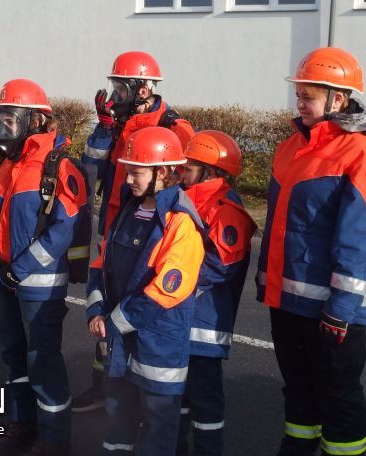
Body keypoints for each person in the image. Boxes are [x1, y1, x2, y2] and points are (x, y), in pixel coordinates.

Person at [255, 47, 366, 456]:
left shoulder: (363, 152)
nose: (299, 103)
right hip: (287, 302)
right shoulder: (290, 147)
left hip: (333, 311)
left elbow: (360, 240)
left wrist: (343, 307)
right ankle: (297, 449)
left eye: (308, 96)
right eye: (298, 95)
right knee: (298, 390)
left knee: (339, 397)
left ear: (338, 99)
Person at [75, 50, 195, 412]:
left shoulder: (175, 129)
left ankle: (151, 400)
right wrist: (103, 128)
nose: (116, 97)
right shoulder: (119, 126)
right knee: (108, 305)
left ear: (143, 89)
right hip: (113, 227)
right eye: (114, 87)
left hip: (153, 234)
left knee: (144, 309)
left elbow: (185, 184)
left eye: (122, 89)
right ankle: (105, 385)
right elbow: (89, 169)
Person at [0, 78, 87, 456]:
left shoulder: (58, 165)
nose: (4, 128)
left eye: (12, 119)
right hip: (4, 278)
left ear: (36, 121)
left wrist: (19, 268)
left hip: (38, 284)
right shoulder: (9, 163)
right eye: (1, 119)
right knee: (13, 354)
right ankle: (22, 421)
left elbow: (64, 228)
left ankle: (55, 439)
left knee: (42, 361)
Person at [85, 126, 205, 456]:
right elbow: (101, 265)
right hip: (122, 340)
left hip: (158, 344)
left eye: (136, 173)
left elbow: (163, 293)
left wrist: (111, 323)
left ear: (163, 172)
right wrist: (95, 308)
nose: (127, 181)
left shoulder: (181, 223)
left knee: (158, 428)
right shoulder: (128, 209)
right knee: (118, 419)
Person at [175, 130, 257, 456]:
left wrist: (172, 284)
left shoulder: (225, 209)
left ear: (210, 171)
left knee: (205, 404)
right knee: (176, 397)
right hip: (179, 318)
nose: (182, 172)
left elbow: (220, 265)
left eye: (189, 167)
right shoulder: (187, 199)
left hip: (203, 327)